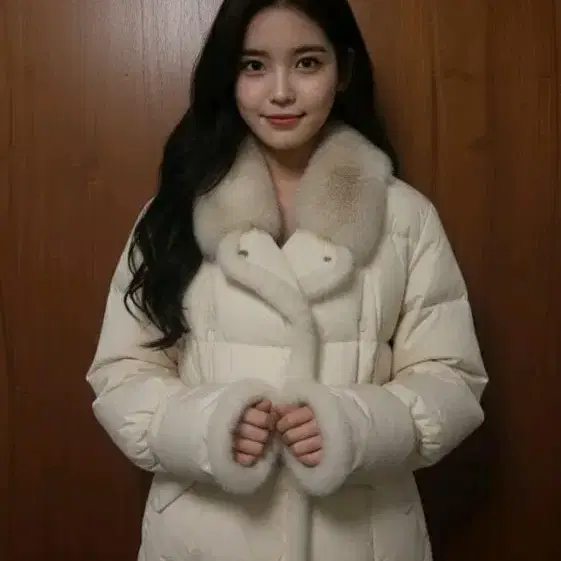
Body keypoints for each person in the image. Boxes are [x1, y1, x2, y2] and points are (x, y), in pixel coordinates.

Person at [86, 0, 488, 560]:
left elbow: (453, 379)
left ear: (343, 71)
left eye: (307, 63)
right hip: (204, 538)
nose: (280, 92)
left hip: (362, 539)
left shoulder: (405, 217)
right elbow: (121, 372)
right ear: (228, 74)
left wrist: (354, 428)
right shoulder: (173, 212)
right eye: (254, 65)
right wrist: (209, 428)